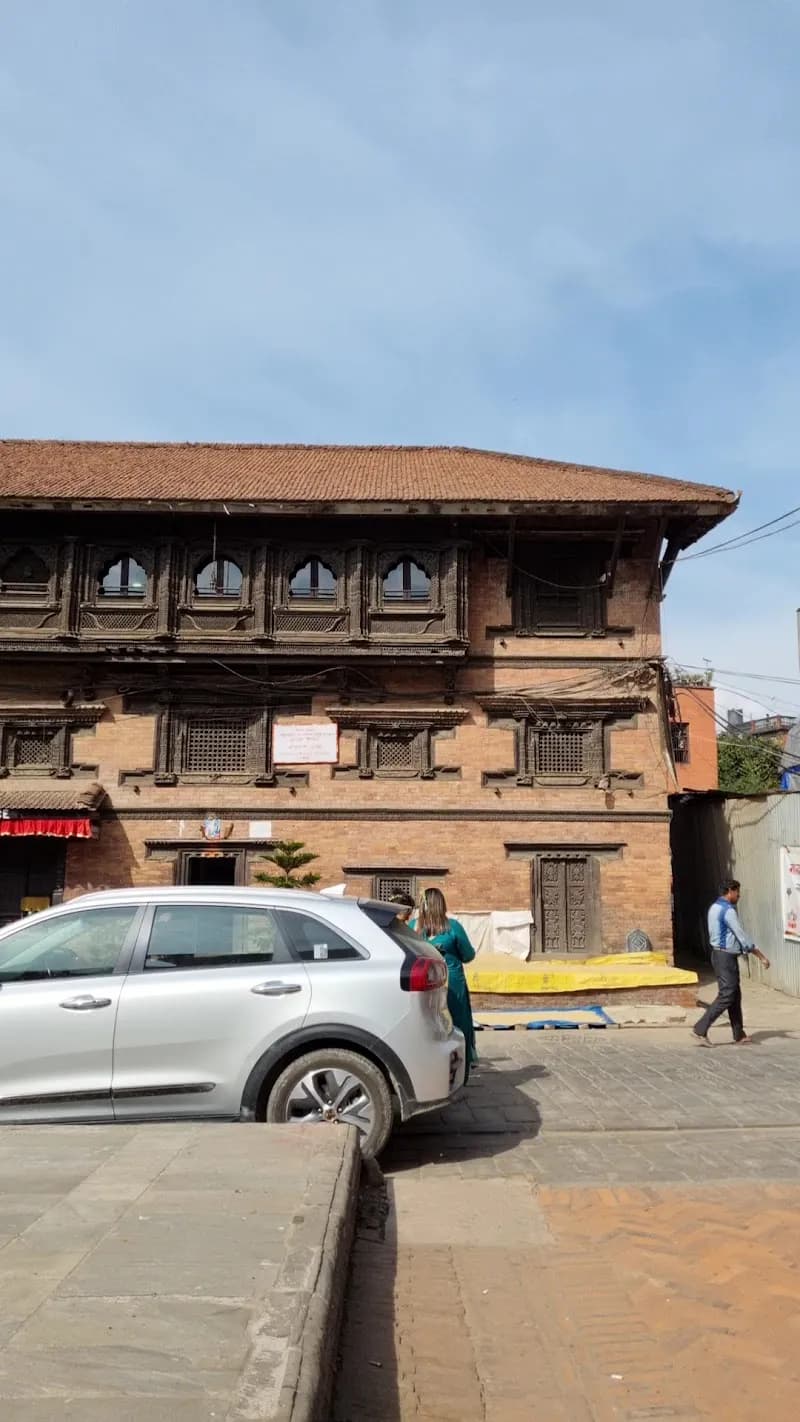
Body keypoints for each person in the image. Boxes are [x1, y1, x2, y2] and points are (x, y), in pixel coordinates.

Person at [693, 879, 770, 1046]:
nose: (739, 895)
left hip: (720, 955)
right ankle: (700, 1029)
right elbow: (740, 935)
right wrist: (760, 955)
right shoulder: (728, 911)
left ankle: (739, 1034)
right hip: (725, 957)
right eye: (737, 891)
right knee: (728, 994)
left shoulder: (714, 907)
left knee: (734, 995)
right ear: (729, 891)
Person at [413, 887, 478, 1081]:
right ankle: (461, 1075)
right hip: (452, 984)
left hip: (425, 984)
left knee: (429, 1025)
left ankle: (430, 1072)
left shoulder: (414, 928)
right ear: (441, 905)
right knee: (458, 1026)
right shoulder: (453, 927)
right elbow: (468, 955)